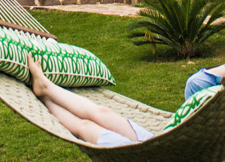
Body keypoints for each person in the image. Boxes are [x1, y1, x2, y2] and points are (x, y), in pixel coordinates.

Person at [26, 56, 157, 148]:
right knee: (103, 112)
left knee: (85, 126)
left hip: (140, 155)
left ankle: (45, 92)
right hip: (156, 142)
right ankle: (45, 89)